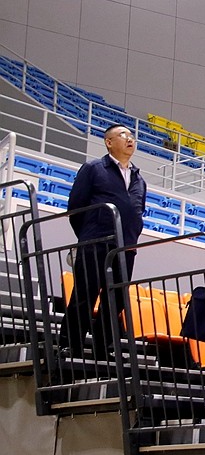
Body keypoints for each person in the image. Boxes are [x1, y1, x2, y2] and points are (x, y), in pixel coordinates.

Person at [62, 123, 147, 361]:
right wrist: (88, 235)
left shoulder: (139, 179)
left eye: (132, 136)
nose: (130, 139)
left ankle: (103, 348)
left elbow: (137, 210)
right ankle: (70, 345)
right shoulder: (93, 168)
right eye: (123, 135)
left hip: (126, 247)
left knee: (116, 299)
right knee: (84, 294)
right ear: (109, 142)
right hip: (95, 242)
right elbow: (76, 207)